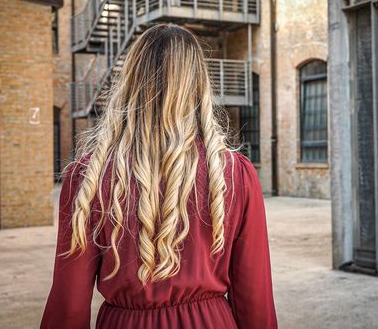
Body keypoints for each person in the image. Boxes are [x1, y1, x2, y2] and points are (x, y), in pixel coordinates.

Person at [40, 23, 277, 329]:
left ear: (130, 83)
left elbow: (68, 305)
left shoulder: (88, 177)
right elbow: (254, 298)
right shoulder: (235, 174)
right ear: (197, 87)